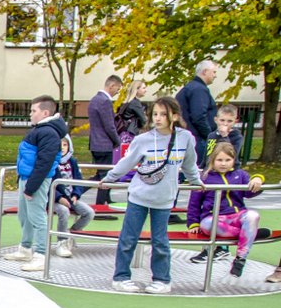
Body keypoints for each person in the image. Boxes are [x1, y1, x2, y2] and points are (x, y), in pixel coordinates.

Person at [101, 96, 204, 294]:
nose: (157, 118)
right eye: (155, 114)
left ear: (174, 116)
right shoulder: (143, 140)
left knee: (160, 240)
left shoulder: (185, 138)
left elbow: (190, 163)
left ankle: (162, 279)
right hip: (140, 195)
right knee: (129, 238)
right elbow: (127, 162)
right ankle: (121, 276)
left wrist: (195, 181)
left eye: (163, 114)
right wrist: (110, 178)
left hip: (164, 198)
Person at [5, 95, 68, 272]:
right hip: (27, 178)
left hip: (36, 181)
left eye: (34, 111)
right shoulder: (40, 129)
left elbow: (44, 162)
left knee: (37, 217)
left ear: (45, 112)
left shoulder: (48, 132)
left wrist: (31, 187)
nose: (30, 114)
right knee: (24, 216)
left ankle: (40, 254)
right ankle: (25, 248)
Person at [188, 142, 264, 278]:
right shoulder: (204, 177)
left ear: (234, 160)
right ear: (213, 160)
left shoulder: (240, 175)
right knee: (210, 225)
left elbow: (250, 193)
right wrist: (193, 223)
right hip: (212, 218)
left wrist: (258, 179)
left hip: (236, 216)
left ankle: (240, 258)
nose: (223, 164)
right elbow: (194, 203)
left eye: (228, 160)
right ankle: (249, 234)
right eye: (220, 160)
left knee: (252, 215)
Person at [50, 135, 94, 258]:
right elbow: (49, 183)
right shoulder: (52, 161)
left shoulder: (72, 161)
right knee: (64, 211)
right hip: (55, 198)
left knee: (89, 212)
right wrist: (59, 198)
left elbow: (78, 180)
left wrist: (76, 194)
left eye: (65, 145)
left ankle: (70, 233)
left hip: (71, 198)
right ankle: (61, 241)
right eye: (60, 145)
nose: (62, 148)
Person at [177, 59, 219, 167]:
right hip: (197, 139)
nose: (215, 76)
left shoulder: (192, 87)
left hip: (190, 137)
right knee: (196, 172)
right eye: (214, 72)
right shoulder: (199, 90)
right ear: (205, 72)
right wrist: (210, 136)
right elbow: (199, 116)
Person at [88, 74, 122, 205]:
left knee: (102, 174)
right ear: (111, 85)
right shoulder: (105, 101)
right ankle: (101, 204)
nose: (117, 92)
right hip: (104, 144)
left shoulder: (95, 99)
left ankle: (105, 198)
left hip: (96, 143)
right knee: (104, 176)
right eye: (117, 89)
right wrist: (117, 141)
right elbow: (109, 125)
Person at [205, 104, 244, 168]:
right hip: (211, 170)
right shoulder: (211, 135)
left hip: (229, 171)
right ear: (216, 120)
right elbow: (207, 154)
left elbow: (232, 154)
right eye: (222, 120)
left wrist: (225, 136)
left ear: (235, 121)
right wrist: (202, 167)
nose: (225, 124)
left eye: (229, 121)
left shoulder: (237, 137)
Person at [115, 80, 149, 148]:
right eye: (143, 88)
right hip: (131, 134)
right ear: (136, 89)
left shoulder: (128, 102)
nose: (146, 90)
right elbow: (144, 121)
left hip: (124, 134)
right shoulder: (135, 103)